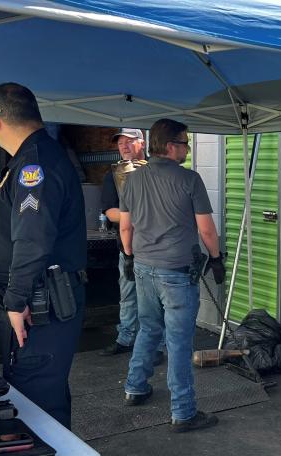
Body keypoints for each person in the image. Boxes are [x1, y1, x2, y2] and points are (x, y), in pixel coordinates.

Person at [0, 82, 86, 456]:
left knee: (34, 406)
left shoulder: (34, 166)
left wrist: (17, 301)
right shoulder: (33, 157)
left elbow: (32, 240)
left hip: (36, 306)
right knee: (48, 398)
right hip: (39, 301)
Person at [119, 118, 225, 433]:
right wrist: (217, 258)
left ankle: (135, 387)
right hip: (176, 272)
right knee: (178, 341)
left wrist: (127, 256)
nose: (188, 149)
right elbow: (206, 228)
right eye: (184, 143)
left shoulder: (133, 181)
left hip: (143, 267)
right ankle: (183, 412)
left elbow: (126, 227)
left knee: (148, 328)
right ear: (169, 146)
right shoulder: (189, 180)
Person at [99, 128, 146, 357]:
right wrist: (140, 216)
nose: (124, 147)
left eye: (129, 142)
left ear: (142, 143)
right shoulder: (113, 175)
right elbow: (110, 212)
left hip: (157, 248)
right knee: (128, 295)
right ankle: (126, 338)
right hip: (127, 247)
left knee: (157, 300)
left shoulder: (154, 171)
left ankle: (157, 344)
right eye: (120, 143)